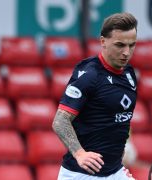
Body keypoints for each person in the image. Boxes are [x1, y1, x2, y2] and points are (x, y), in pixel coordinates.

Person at [52, 12, 138, 180]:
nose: (126, 52)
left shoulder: (129, 74)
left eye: (132, 45)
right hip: (81, 175)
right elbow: (60, 121)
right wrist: (80, 154)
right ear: (103, 41)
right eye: (120, 45)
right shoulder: (89, 75)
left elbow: (119, 117)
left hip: (115, 172)